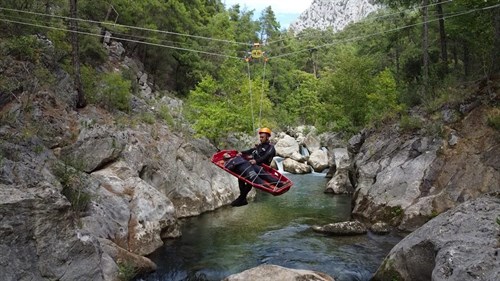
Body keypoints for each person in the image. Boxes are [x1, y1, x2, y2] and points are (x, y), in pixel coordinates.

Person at [231, 127, 281, 207]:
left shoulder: (271, 148)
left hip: (262, 168)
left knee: (250, 179)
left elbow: (266, 156)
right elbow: (251, 151)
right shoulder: (259, 146)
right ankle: (242, 198)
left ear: (267, 137)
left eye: (262, 137)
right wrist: (242, 153)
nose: (260, 139)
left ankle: (242, 198)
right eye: (260, 137)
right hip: (254, 166)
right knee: (241, 177)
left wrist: (256, 161)